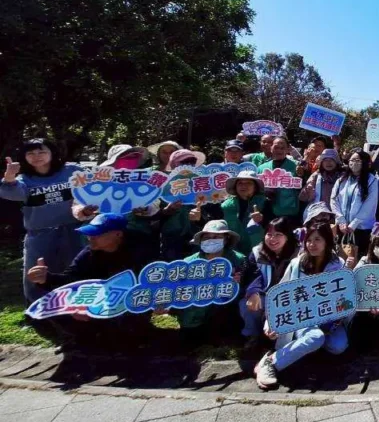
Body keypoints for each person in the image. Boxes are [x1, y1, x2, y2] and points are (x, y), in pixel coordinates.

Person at [26, 213, 155, 348]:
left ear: (118, 234)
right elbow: (70, 279)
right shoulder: (88, 254)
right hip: (100, 300)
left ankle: (133, 335)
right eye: (89, 234)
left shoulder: (142, 251)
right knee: (56, 305)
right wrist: (46, 279)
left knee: (127, 331)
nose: (90, 238)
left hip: (131, 300)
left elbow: (154, 281)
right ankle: (87, 338)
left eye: (97, 234)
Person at [254, 222, 352, 389]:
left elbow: (346, 298)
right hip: (301, 317)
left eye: (317, 239)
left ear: (327, 241)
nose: (312, 244)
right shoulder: (297, 264)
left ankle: (301, 350)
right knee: (315, 338)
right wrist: (271, 322)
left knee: (338, 346)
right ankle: (271, 362)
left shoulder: (339, 264)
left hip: (330, 320)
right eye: (308, 240)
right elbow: (280, 294)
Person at [2, 139, 83, 303]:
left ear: (52, 153)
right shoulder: (24, 180)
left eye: (41, 152)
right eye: (30, 153)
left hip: (74, 228)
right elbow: (12, 193)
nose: (36, 156)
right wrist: (9, 177)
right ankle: (37, 308)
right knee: (36, 270)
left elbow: (91, 189)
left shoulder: (72, 171)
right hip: (40, 233)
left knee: (76, 267)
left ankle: (77, 303)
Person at [173, 219, 247, 345]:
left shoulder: (239, 259)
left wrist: (239, 282)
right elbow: (177, 289)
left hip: (225, 307)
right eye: (207, 237)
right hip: (195, 310)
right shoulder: (189, 262)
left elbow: (247, 286)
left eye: (216, 236)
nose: (211, 240)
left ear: (226, 238)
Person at [240, 217, 298, 352]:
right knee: (245, 305)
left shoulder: (299, 253)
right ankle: (253, 335)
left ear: (287, 236)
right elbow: (252, 274)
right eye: (269, 234)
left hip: (290, 297)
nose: (273, 239)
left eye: (278, 234)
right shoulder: (257, 252)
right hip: (265, 295)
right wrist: (253, 291)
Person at [331, 150, 379, 258]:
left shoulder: (371, 180)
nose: (354, 163)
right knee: (342, 257)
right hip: (342, 226)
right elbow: (334, 199)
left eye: (357, 160)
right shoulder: (342, 179)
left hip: (362, 228)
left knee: (359, 258)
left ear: (364, 162)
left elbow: (369, 204)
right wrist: (341, 219)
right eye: (351, 160)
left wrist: (354, 223)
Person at [221, 170, 267, 256]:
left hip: (258, 252)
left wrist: (262, 221)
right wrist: (199, 219)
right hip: (233, 253)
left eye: (249, 183)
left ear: (255, 187)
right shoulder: (225, 205)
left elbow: (273, 225)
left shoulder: (265, 203)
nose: (243, 186)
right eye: (240, 183)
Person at [258, 137, 301, 219]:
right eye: (276, 147)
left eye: (282, 148)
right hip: (266, 212)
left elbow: (303, 188)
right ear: (271, 148)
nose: (279, 150)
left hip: (289, 212)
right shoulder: (261, 168)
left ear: (288, 149)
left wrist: (302, 175)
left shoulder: (297, 166)